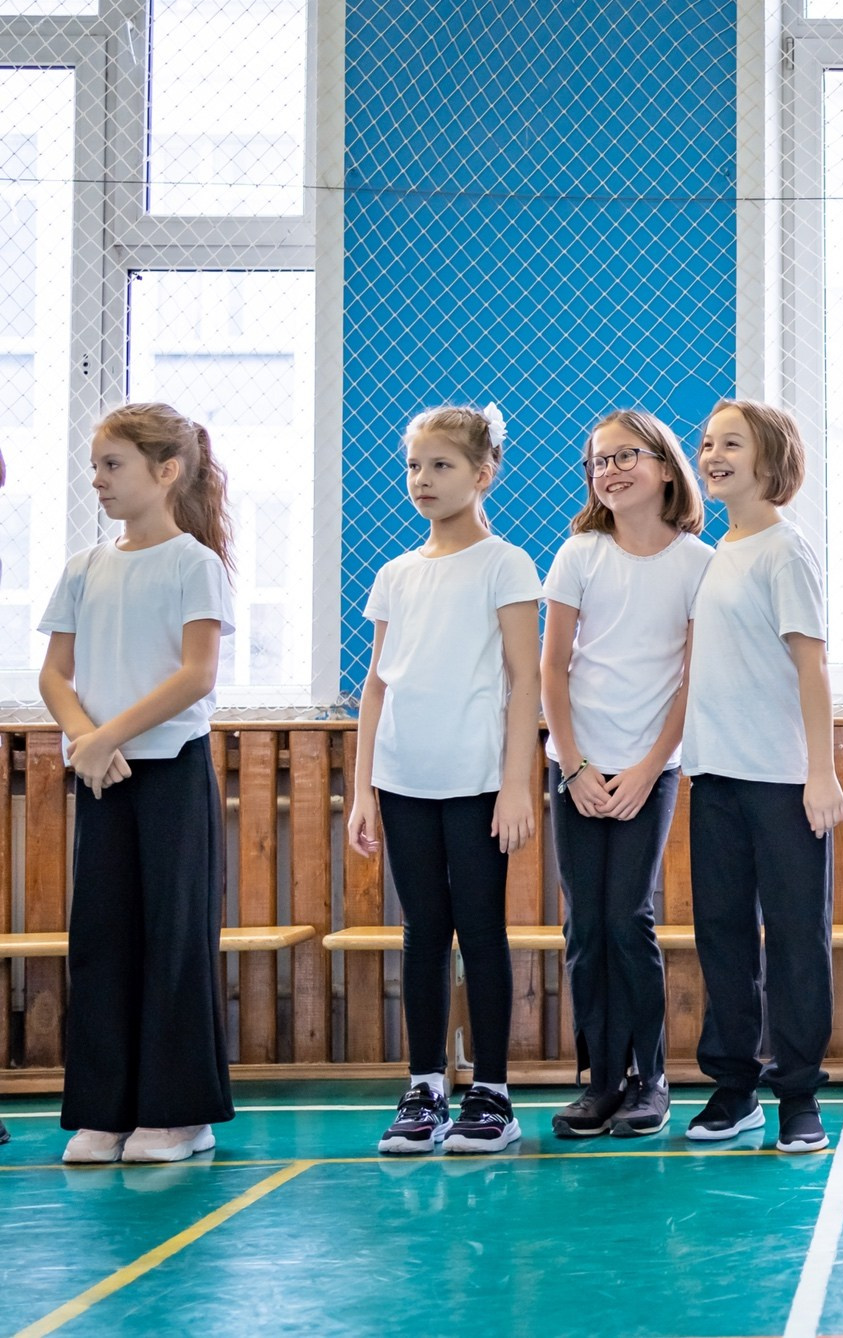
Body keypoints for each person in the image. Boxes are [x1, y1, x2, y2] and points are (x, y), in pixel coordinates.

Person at [37, 403, 235, 1164]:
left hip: (167, 772)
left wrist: (107, 736)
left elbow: (196, 673)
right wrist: (87, 741)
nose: (98, 481)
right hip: (101, 775)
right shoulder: (84, 568)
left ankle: (180, 1115)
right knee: (102, 938)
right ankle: (104, 1110)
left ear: (166, 471)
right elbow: (55, 673)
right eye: (95, 467)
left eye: (112, 466)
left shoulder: (194, 563)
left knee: (174, 938)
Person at [347, 404, 543, 1154]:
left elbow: (525, 678)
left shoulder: (506, 564)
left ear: (483, 473)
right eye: (414, 466)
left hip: (477, 783)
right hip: (403, 780)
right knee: (422, 931)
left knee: (481, 929)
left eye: (442, 466)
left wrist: (516, 782)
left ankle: (490, 1091)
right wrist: (365, 789)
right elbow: (376, 685)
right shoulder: (396, 573)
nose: (423, 480)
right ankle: (424, 1085)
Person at [681, 399, 843, 1155]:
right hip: (714, 776)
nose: (713, 454)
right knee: (720, 935)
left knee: (793, 938)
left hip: (780, 781)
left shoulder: (785, 549)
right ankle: (734, 1087)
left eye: (732, 444)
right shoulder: (720, 554)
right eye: (708, 443)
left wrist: (819, 773)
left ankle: (798, 1095)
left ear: (770, 458)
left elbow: (810, 665)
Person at [543, 410, 712, 1139]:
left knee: (626, 917)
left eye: (624, 457)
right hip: (576, 767)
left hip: (650, 770)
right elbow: (552, 669)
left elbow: (689, 679)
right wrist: (574, 764)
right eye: (597, 462)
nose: (608, 471)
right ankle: (600, 1080)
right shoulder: (579, 554)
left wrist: (648, 768)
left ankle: (651, 1078)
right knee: (584, 925)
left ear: (666, 468)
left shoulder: (698, 564)